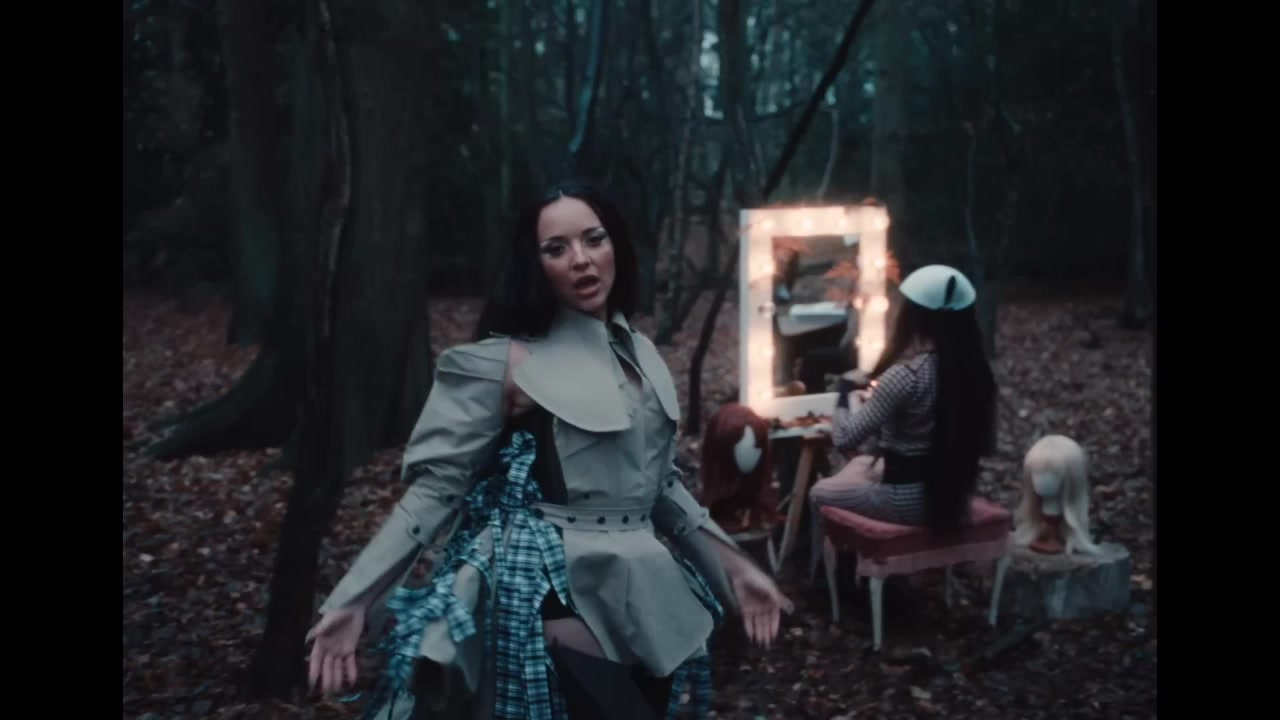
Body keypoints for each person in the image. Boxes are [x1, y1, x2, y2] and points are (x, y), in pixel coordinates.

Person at [306, 178, 792, 720]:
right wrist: (353, 600)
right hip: (553, 586)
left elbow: (662, 491)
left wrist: (738, 570)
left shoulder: (640, 354)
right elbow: (434, 493)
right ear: (534, 265)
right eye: (556, 249)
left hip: (647, 588)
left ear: (616, 246)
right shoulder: (507, 363)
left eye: (594, 239)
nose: (581, 260)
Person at [807, 265, 997, 579]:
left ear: (917, 317)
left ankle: (828, 578)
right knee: (863, 464)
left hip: (905, 502)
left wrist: (843, 392)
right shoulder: (979, 373)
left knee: (818, 493)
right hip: (953, 496)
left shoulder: (906, 376)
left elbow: (843, 439)